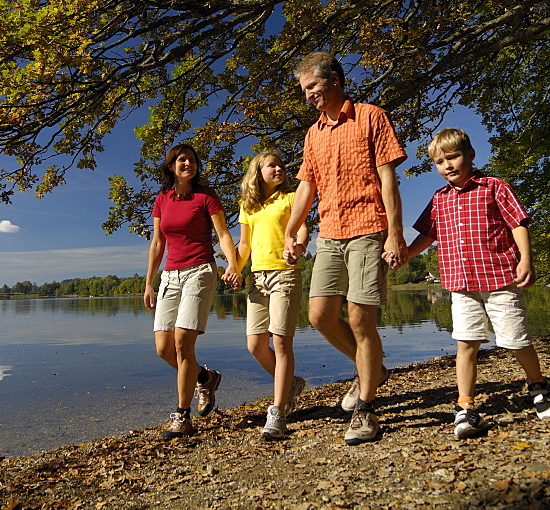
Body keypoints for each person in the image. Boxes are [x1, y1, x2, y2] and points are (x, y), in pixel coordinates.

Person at [402, 128, 550, 440]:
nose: (447, 165)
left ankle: (538, 384)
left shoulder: (494, 187)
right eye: (440, 161)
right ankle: (465, 405)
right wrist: (405, 254)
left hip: (500, 278)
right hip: (460, 284)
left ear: (470, 155)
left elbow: (518, 223)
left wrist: (525, 259)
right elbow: (428, 235)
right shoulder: (438, 199)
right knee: (466, 342)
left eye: (453, 157)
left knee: (515, 339)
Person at [283, 51, 408, 446]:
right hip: (330, 234)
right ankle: (371, 369)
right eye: (304, 90)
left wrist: (395, 233)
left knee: (360, 320)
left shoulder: (372, 116)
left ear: (335, 80)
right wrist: (292, 229)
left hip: (369, 228)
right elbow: (306, 185)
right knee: (319, 315)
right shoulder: (313, 133)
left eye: (312, 87)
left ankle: (366, 409)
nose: (308, 96)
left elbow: (389, 179)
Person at [144, 143, 241, 440]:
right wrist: (149, 282)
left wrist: (233, 264)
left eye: (193, 160)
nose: (188, 164)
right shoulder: (162, 199)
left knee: (183, 344)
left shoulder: (206, 196)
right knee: (164, 348)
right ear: (171, 166)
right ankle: (205, 377)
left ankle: (181, 416)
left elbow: (223, 234)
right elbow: (157, 243)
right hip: (170, 276)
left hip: (200, 271)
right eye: (182, 160)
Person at [235, 151, 310, 440]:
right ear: (258, 172)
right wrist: (233, 269)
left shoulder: (291, 198)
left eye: (281, 165)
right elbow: (244, 245)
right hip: (257, 279)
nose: (279, 168)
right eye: (272, 165)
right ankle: (291, 384)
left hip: (285, 274)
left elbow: (302, 230)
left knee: (280, 342)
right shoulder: (247, 206)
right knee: (255, 344)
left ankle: (277, 412)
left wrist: (299, 248)